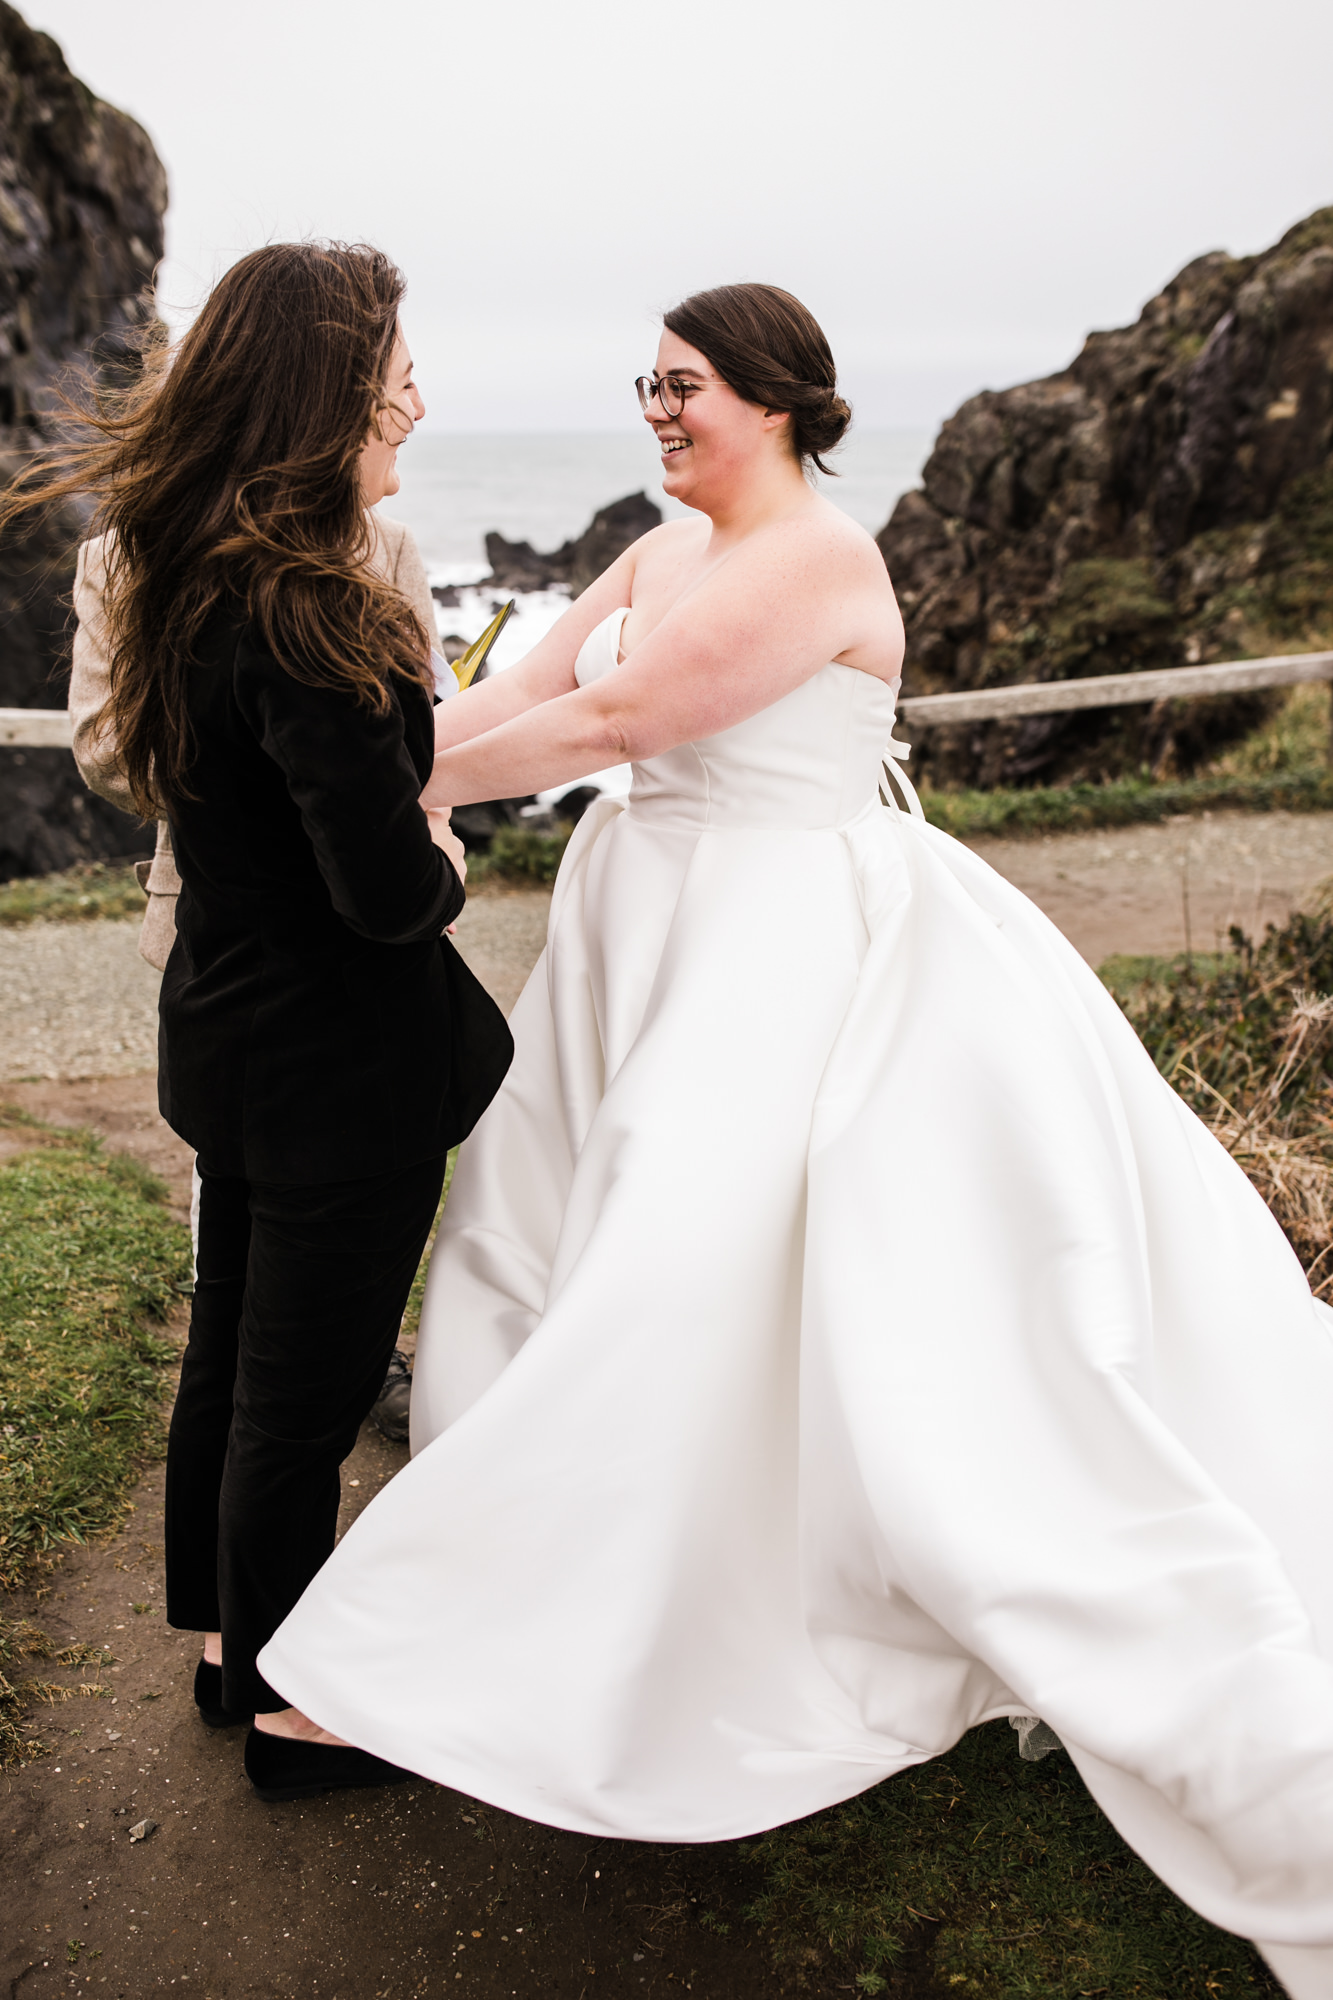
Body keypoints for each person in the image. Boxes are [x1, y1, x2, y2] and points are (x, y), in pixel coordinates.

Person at [258, 284, 1333, 1996]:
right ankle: (518, 1589)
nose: (654, 413)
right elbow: (511, 692)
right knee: (542, 1237)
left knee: (675, 1276)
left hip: (773, 946)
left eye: (680, 388)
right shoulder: (653, 552)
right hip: (637, 936)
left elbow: (616, 727)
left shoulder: (823, 560)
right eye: (646, 386)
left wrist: (402, 804)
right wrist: (329, 766)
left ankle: (469, 1639)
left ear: (770, 396)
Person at [7, 240, 514, 1798]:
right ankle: (300, 1717)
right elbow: (385, 894)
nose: (413, 406)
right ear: (320, 395)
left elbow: (185, 788)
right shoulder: (313, 607)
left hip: (230, 1028)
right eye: (391, 377)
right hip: (338, 1064)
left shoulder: (193, 572)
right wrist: (439, 851)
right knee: (300, 1392)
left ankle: (236, 1648)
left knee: (235, 1348)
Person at [68, 444, 439, 1445]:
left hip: (364, 932)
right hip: (220, 912)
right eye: (393, 388)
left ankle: (361, 1355)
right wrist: (271, 785)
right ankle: (235, 1366)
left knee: (359, 1163)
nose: (411, 411)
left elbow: (421, 727)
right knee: (230, 1171)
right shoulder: (119, 556)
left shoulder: (390, 547)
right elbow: (103, 743)